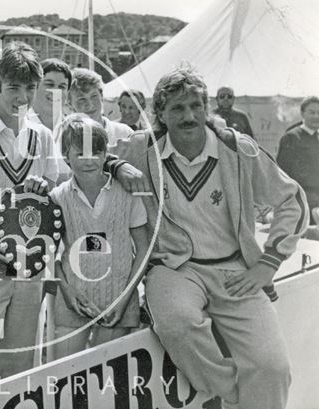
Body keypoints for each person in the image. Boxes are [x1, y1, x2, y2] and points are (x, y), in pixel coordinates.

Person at [111, 66, 308, 409]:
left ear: (207, 108)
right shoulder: (143, 147)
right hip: (175, 269)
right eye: (177, 108)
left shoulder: (237, 148)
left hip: (233, 267)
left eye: (195, 106)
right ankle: (234, 397)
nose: (189, 116)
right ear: (160, 114)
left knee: (273, 367)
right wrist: (116, 166)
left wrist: (268, 263)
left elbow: (291, 200)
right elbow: (92, 154)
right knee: (177, 324)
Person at [0, 41, 57, 379]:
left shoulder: (43, 137)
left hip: (29, 267)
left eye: (30, 87)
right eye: (14, 87)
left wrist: (44, 191)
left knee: (21, 366)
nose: (22, 96)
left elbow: (51, 201)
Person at [50, 114, 149, 359]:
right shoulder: (57, 197)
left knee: (109, 381)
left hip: (119, 302)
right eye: (79, 153)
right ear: (66, 157)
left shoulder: (127, 194)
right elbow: (47, 253)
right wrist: (66, 290)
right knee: (65, 378)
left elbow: (144, 248)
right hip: (74, 301)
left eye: (96, 152)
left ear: (106, 155)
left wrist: (125, 298)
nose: (89, 160)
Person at [277, 96, 319, 221]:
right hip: (302, 200)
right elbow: (282, 173)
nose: (316, 116)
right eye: (312, 112)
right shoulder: (291, 137)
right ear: (302, 113)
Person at [68, 68, 133, 145]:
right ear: (70, 104)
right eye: (82, 99)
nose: (90, 104)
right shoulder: (64, 138)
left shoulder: (124, 133)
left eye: (94, 96)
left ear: (101, 96)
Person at [30, 58, 72, 132]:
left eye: (62, 87)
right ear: (35, 87)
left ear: (68, 92)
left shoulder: (73, 129)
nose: (56, 91)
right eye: (50, 84)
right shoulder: (18, 126)